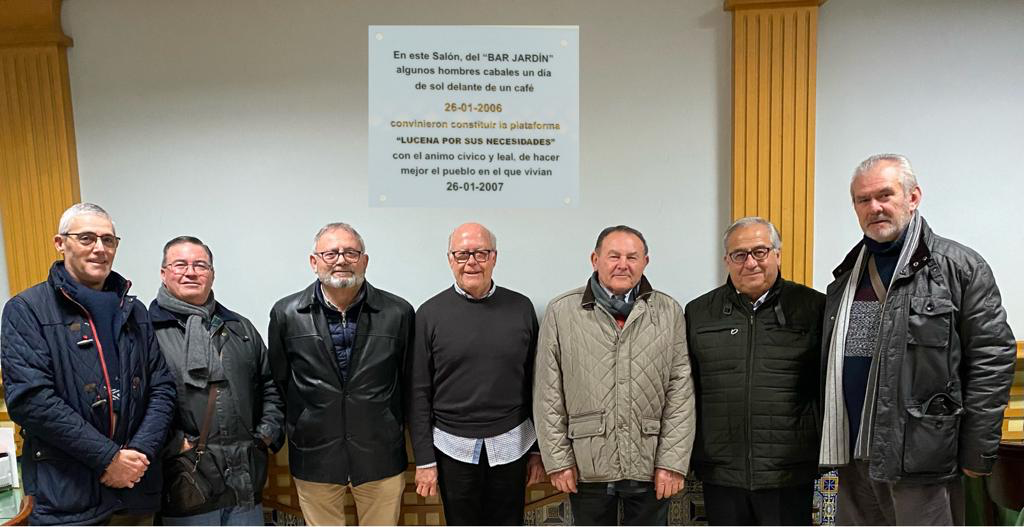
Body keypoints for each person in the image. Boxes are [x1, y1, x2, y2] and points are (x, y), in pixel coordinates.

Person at [819, 154, 1016, 525]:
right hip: (852, 453)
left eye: (885, 195)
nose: (874, 207)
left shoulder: (958, 267)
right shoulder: (846, 277)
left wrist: (978, 450)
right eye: (863, 200)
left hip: (921, 455)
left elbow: (992, 358)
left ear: (913, 197)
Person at [0, 202, 176, 525]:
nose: (100, 249)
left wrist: (136, 457)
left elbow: (162, 389)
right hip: (68, 497)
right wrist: (108, 459)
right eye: (86, 238)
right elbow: (32, 401)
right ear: (60, 243)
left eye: (108, 240)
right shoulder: (26, 310)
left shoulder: (134, 311)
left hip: (135, 491)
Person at [534, 225, 695, 526]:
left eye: (632, 257)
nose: (623, 264)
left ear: (646, 261)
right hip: (586, 463)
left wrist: (672, 462)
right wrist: (558, 461)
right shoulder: (562, 311)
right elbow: (547, 392)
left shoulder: (668, 311)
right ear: (595, 260)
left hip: (650, 463)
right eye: (614, 256)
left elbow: (680, 392)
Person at [268, 222, 414, 526]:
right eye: (331, 253)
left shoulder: (398, 313)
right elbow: (279, 382)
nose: (341, 260)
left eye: (350, 252)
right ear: (314, 261)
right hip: (314, 457)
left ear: (364, 261)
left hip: (380, 456)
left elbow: (409, 383)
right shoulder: (286, 314)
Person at [685, 217, 825, 525]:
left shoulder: (814, 308)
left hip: (788, 471)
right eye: (740, 254)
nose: (750, 262)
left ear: (777, 253)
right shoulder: (698, 313)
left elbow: (827, 387)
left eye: (760, 251)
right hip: (721, 471)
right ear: (727, 260)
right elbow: (685, 390)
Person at [409, 223, 546, 525]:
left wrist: (537, 450)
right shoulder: (428, 315)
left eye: (481, 253)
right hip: (451, 446)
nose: (471, 262)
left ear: (494, 257)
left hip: (513, 443)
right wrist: (424, 459)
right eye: (462, 254)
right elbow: (418, 392)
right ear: (450, 259)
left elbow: (537, 385)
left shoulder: (521, 308)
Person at [149, 236, 284, 525]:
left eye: (200, 265)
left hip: (244, 481)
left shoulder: (239, 328)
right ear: (163, 273)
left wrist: (266, 434)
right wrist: (173, 445)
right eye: (180, 264)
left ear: (212, 273)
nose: (191, 271)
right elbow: (135, 402)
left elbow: (270, 384)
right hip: (186, 482)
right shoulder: (146, 330)